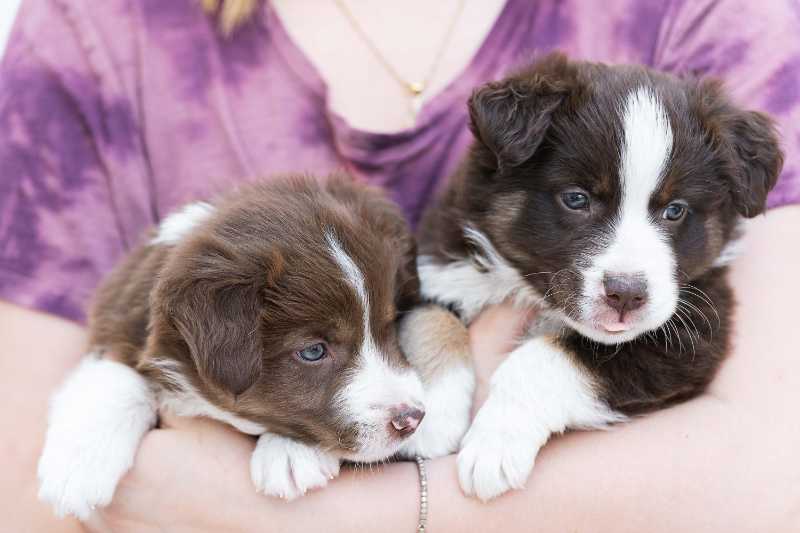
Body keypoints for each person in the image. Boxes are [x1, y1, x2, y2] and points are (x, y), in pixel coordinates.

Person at [1, 0, 798, 531]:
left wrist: (368, 513)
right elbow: (32, 488)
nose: (629, 269)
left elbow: (769, 473)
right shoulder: (97, 27)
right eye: (583, 203)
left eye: (671, 213)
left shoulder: (717, 18)